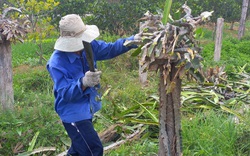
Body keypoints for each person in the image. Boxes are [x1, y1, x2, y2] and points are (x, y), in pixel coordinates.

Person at [46, 14, 140, 156]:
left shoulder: (88, 45)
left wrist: (131, 41)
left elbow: (110, 49)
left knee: (79, 149)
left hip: (87, 107)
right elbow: (65, 93)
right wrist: (83, 83)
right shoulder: (57, 62)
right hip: (73, 113)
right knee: (93, 150)